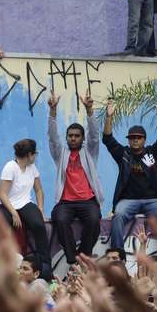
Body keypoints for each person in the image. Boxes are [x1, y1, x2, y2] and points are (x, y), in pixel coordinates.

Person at [103, 101, 157, 249]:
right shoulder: (123, 155)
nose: (135, 139)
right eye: (132, 137)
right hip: (128, 201)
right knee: (118, 215)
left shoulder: (152, 153)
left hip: (153, 200)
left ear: (144, 139)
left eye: (139, 137)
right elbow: (108, 139)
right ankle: (118, 255)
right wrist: (109, 117)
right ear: (128, 140)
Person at [48, 90, 103, 267]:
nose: (73, 138)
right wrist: (53, 112)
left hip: (88, 200)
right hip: (66, 202)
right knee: (60, 220)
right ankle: (73, 260)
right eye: (70, 136)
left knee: (95, 220)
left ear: (82, 138)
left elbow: (95, 135)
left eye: (77, 136)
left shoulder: (90, 152)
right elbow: (52, 137)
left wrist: (89, 111)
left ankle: (83, 256)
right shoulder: (60, 154)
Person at [0, 139, 52, 280]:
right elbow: (2, 194)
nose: (35, 157)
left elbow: (39, 190)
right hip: (7, 204)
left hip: (25, 203)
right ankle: (4, 266)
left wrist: (40, 209)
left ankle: (45, 266)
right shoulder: (10, 167)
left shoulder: (32, 168)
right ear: (29, 155)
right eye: (35, 154)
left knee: (39, 225)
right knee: (0, 224)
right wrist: (14, 213)